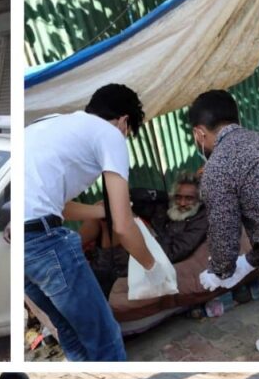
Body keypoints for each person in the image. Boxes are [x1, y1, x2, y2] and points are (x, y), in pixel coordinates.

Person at [24, 84, 164, 361]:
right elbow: (124, 226)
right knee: (105, 337)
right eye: (128, 131)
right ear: (124, 121)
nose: (124, 137)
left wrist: (102, 212)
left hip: (17, 242)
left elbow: (54, 206)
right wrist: (152, 267)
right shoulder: (109, 134)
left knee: (70, 332)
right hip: (44, 243)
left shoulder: (50, 124)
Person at [188, 90, 259, 357]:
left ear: (199, 133)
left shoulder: (218, 168)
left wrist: (220, 270)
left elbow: (224, 234)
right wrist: (248, 262)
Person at [154, 173, 208, 264]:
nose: (182, 203)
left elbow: (172, 253)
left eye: (189, 198)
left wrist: (155, 238)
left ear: (199, 199)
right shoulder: (170, 210)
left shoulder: (201, 220)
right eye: (178, 197)